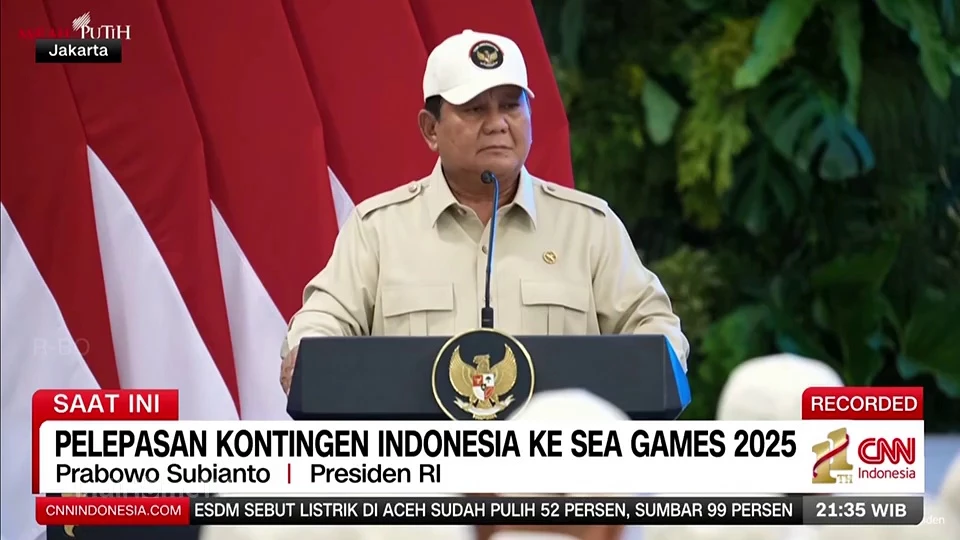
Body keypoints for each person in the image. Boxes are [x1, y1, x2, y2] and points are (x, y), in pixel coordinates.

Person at [280, 29, 687, 392]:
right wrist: (308, 353)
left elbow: (655, 327)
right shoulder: (379, 230)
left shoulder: (588, 228)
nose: (497, 124)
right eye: (475, 109)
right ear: (431, 129)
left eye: (511, 106)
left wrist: (643, 369)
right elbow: (321, 323)